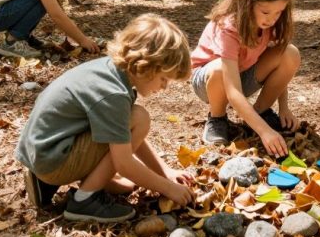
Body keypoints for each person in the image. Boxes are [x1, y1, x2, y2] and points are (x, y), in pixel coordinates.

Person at [16, 13, 194, 222]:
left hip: (44, 149)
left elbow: (121, 131)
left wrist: (165, 172)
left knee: (126, 185)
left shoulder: (111, 71)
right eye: (164, 79)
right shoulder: (114, 93)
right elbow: (124, 163)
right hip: (52, 157)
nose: (164, 87)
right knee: (140, 118)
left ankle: (46, 184)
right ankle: (84, 201)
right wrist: (168, 188)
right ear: (145, 65)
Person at [190, 0, 300, 154]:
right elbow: (233, 90)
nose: (272, 18)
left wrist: (284, 108)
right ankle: (217, 119)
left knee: (290, 53)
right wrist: (264, 132)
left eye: (279, 12)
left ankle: (261, 112)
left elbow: (280, 61)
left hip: (242, 75)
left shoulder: (272, 22)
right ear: (248, 2)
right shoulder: (230, 27)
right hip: (210, 81)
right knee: (217, 68)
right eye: (266, 12)